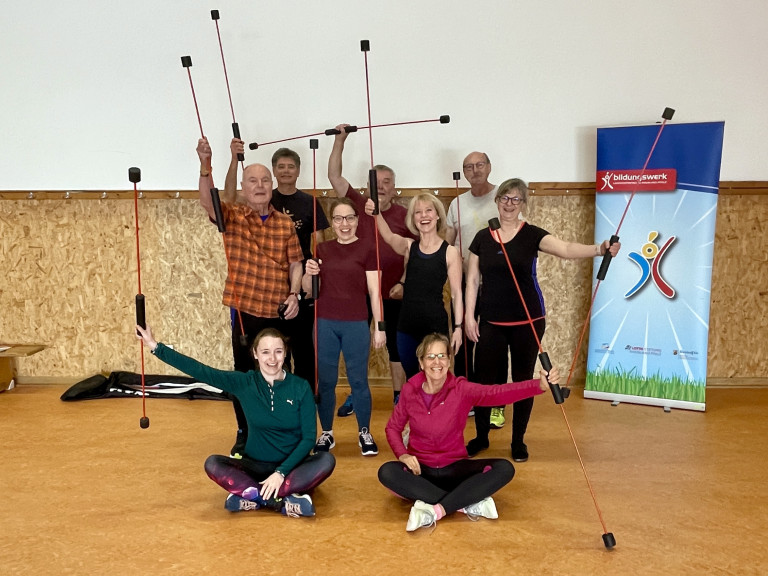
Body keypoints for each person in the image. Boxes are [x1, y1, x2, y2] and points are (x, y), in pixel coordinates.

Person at [464, 178, 621, 461]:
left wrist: (599, 249)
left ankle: (518, 441)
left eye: (516, 199)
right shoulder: (482, 237)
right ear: (497, 201)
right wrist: (468, 316)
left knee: (523, 380)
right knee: (484, 382)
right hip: (490, 321)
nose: (509, 204)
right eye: (504, 198)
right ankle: (481, 437)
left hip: (528, 321)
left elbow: (567, 249)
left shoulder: (532, 234)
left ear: (524, 204)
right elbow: (473, 280)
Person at [136, 324, 335, 517]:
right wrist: (155, 347)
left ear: (285, 353)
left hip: (292, 467)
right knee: (213, 463)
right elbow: (201, 371)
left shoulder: (300, 387)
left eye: (278, 351)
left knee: (326, 460)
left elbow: (309, 438)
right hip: (254, 466)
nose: (272, 359)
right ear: (255, 354)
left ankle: (253, 495)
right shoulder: (244, 382)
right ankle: (281, 500)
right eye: (265, 352)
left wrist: (280, 473)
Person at [378, 333, 560, 532]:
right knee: (387, 472)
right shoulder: (409, 390)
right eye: (430, 357)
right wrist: (403, 455)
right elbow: (393, 428)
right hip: (420, 471)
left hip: (455, 468)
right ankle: (465, 501)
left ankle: (436, 509)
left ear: (449, 361)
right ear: (421, 363)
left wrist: (538, 385)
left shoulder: (461, 389)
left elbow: (498, 393)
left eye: (442, 356)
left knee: (504, 468)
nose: (437, 362)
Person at [197, 138, 304, 458]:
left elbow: (296, 263)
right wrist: (205, 165)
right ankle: (245, 433)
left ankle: (287, 433)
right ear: (244, 188)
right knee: (245, 377)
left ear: (272, 186)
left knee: (283, 373)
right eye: (253, 181)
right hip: (245, 311)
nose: (259, 186)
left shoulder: (285, 223)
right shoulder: (232, 217)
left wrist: (294, 294)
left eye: (265, 181)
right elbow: (208, 202)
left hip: (278, 311)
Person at [328, 123, 416, 415]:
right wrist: (340, 141)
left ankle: (399, 396)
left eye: (387, 182)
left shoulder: (406, 215)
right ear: (367, 186)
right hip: (358, 292)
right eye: (376, 182)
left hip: (394, 293)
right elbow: (334, 176)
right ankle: (357, 393)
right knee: (358, 345)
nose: (381, 186)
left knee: (396, 346)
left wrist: (404, 282)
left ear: (394, 187)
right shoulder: (356, 204)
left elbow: (413, 254)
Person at [302, 198, 386, 456]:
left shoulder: (368, 248)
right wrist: (308, 272)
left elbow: (375, 292)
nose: (344, 224)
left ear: (357, 220)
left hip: (356, 324)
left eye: (349, 217)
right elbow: (308, 290)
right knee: (326, 382)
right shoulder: (321, 249)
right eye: (338, 218)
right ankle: (326, 432)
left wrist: (380, 327)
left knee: (358, 380)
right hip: (324, 323)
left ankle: (364, 432)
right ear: (332, 222)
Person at [364, 193, 463, 378]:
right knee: (413, 378)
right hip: (406, 327)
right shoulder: (410, 247)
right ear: (413, 218)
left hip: (435, 328)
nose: (423, 216)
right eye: (418, 212)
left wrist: (458, 328)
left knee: (435, 378)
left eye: (428, 210)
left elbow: (456, 294)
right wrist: (377, 214)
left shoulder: (450, 252)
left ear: (437, 215)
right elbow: (388, 236)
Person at [445, 151, 502, 424]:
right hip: (466, 283)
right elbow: (448, 241)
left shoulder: (503, 198)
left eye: (480, 165)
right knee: (463, 343)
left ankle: (495, 402)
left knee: (493, 344)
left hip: (496, 285)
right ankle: (465, 397)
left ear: (489, 167)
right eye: (469, 166)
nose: (475, 170)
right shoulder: (457, 203)